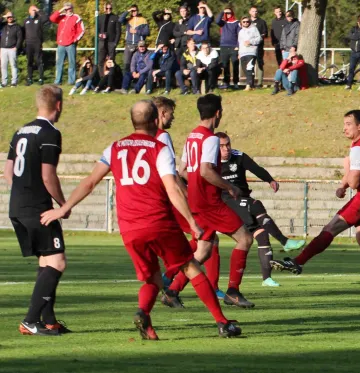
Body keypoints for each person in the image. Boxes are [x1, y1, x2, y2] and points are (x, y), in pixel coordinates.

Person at [40, 100, 242, 340]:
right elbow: (172, 187)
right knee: (191, 267)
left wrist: (64, 208)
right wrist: (192, 220)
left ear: (132, 121)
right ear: (155, 120)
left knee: (152, 278)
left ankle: (144, 317)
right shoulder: (159, 148)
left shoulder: (114, 148)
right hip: (158, 222)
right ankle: (222, 322)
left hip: (129, 228)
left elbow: (90, 181)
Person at [271, 110, 360, 293]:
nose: (344, 128)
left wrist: (347, 169)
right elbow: (354, 177)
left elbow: (355, 182)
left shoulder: (359, 149)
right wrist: (342, 185)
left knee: (330, 229)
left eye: (349, 124)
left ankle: (298, 262)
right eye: (344, 124)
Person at [162, 95, 255, 309]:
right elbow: (205, 170)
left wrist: (190, 190)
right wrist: (229, 186)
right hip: (210, 202)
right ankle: (233, 291)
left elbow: (183, 169)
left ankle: (172, 291)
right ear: (218, 113)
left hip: (196, 200)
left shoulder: (192, 136)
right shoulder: (210, 138)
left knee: (203, 250)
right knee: (245, 239)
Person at [4, 85, 71, 336]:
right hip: (38, 208)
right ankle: (30, 321)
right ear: (59, 105)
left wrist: (23, 192)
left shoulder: (20, 131)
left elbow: (8, 173)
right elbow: (48, 174)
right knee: (58, 261)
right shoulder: (50, 133)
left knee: (46, 259)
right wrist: (63, 204)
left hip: (18, 206)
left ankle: (49, 319)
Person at [214, 132, 306, 288]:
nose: (226, 148)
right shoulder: (211, 162)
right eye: (221, 146)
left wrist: (270, 179)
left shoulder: (239, 156)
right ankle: (285, 242)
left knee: (262, 236)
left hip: (242, 199)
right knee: (256, 204)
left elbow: (255, 168)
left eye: (228, 144)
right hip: (227, 202)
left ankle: (266, 279)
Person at [50, 2, 85, 85]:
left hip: (70, 44)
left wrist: (75, 40)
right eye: (66, 9)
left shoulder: (76, 17)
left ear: (72, 8)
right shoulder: (62, 16)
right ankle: (58, 81)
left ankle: (71, 81)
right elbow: (52, 18)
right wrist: (61, 10)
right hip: (61, 44)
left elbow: (82, 30)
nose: (68, 10)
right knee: (59, 63)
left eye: (69, 8)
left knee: (71, 63)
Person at [119, 4, 150, 75]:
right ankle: (126, 82)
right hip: (129, 44)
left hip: (139, 45)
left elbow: (147, 32)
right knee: (127, 64)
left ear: (138, 10)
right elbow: (120, 20)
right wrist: (128, 11)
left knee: (140, 64)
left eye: (135, 10)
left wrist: (137, 32)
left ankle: (139, 80)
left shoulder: (143, 20)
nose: (134, 12)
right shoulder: (128, 20)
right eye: (132, 11)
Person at [215, 6, 241, 89]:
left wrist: (238, 46)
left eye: (229, 13)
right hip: (224, 47)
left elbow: (240, 35)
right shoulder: (223, 22)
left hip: (234, 47)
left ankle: (236, 82)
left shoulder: (237, 22)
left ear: (232, 13)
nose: (228, 14)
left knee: (235, 65)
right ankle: (226, 83)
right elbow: (217, 21)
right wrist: (223, 12)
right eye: (226, 13)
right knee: (225, 66)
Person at [23, 5, 49, 86]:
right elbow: (22, 32)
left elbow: (46, 18)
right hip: (28, 43)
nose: (34, 11)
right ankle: (29, 79)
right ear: (29, 11)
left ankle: (41, 78)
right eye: (32, 10)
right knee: (29, 61)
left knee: (38, 61)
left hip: (37, 43)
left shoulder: (40, 19)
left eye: (35, 10)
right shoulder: (26, 21)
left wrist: (38, 9)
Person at [238, 16, 261, 91]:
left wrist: (250, 42)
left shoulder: (254, 29)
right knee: (245, 70)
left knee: (249, 68)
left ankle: (248, 86)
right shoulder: (240, 32)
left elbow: (259, 39)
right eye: (244, 22)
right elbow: (240, 43)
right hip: (242, 53)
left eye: (247, 21)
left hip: (251, 51)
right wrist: (239, 53)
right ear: (241, 23)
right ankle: (252, 85)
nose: (245, 23)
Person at [97, 2, 120, 74]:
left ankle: (111, 79)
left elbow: (118, 32)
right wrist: (100, 35)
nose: (108, 10)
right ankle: (101, 78)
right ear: (104, 8)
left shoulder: (115, 17)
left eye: (110, 8)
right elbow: (97, 30)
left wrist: (115, 43)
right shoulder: (100, 18)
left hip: (111, 43)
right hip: (102, 42)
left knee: (111, 62)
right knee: (100, 61)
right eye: (107, 8)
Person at [1, 11, 22, 88]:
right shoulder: (3, 26)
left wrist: (16, 47)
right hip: (3, 49)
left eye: (11, 17)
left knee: (13, 65)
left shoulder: (17, 27)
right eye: (8, 17)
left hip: (12, 49)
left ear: (13, 18)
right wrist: (4, 16)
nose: (10, 18)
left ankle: (14, 82)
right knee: (3, 66)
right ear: (6, 18)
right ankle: (4, 82)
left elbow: (20, 38)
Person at [249, 6, 268, 87]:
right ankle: (250, 83)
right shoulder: (246, 21)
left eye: (256, 11)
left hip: (259, 47)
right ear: (250, 12)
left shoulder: (262, 22)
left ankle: (260, 83)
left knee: (259, 63)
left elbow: (265, 34)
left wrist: (258, 38)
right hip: (249, 48)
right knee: (250, 65)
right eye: (253, 11)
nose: (255, 13)